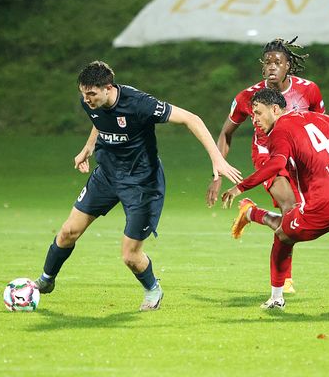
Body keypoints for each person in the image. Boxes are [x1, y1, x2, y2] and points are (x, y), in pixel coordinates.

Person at [33, 60, 242, 311]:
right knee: (68, 232)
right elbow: (99, 121)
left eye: (91, 93)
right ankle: (45, 281)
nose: (86, 99)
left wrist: (217, 159)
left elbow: (192, 119)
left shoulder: (139, 103)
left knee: (130, 256)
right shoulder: (90, 102)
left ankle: (153, 289)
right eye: (83, 93)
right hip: (107, 176)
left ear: (108, 88)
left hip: (143, 184)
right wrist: (87, 149)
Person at [221, 88, 329, 310]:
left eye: (258, 112)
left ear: (275, 109)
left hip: (325, 204)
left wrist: (240, 187)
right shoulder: (316, 117)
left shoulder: (279, 132)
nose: (254, 120)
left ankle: (276, 298)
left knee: (283, 236)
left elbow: (275, 164)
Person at [206, 37, 325, 294]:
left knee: (301, 215)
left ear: (288, 66)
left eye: (277, 62)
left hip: (300, 158)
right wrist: (217, 172)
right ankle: (284, 281)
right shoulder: (248, 97)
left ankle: (251, 213)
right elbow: (226, 133)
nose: (272, 66)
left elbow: (322, 126)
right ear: (262, 68)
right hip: (268, 157)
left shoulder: (309, 91)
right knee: (290, 207)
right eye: (267, 62)